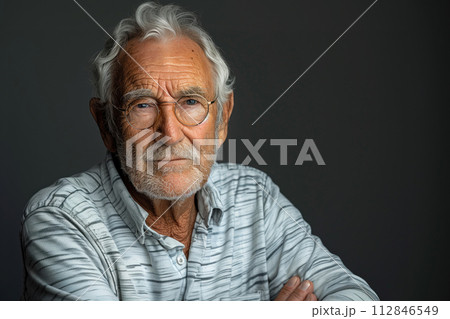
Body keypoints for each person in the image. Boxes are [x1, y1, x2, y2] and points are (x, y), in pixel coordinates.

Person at [20, 2, 378, 301]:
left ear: (222, 118)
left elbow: (355, 298)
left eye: (190, 102)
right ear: (106, 125)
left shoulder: (253, 195)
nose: (170, 133)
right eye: (143, 106)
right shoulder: (60, 219)